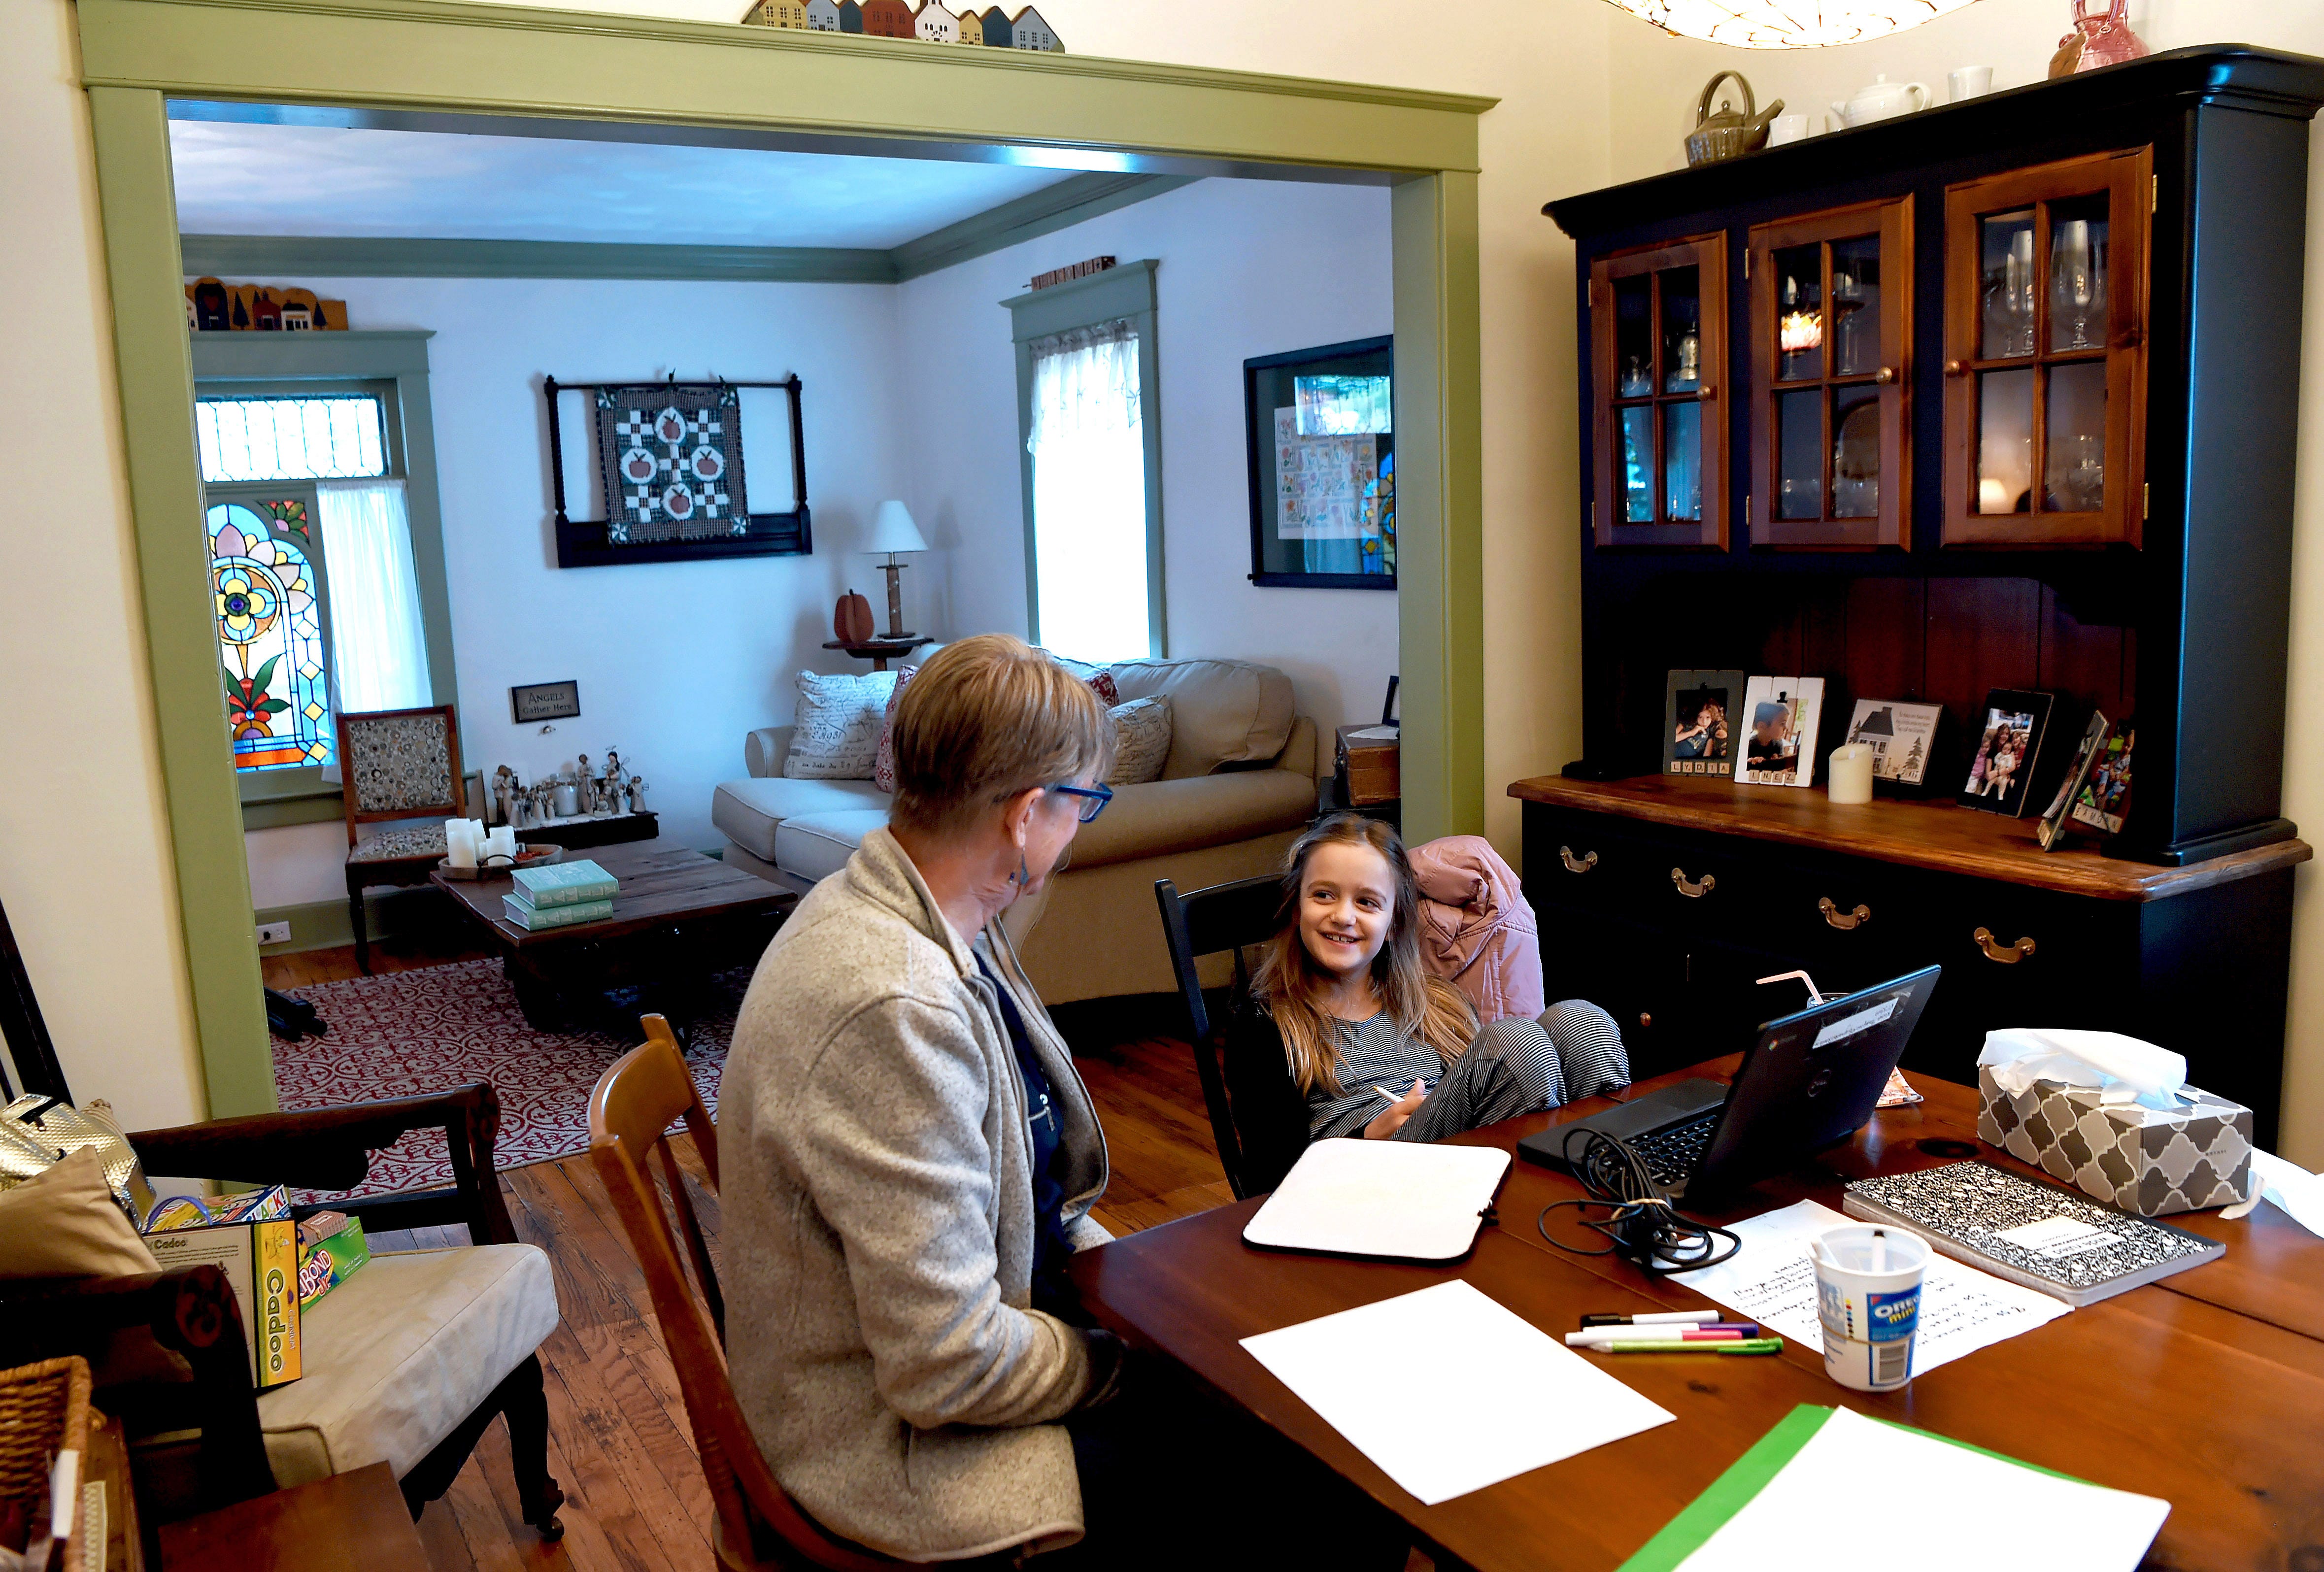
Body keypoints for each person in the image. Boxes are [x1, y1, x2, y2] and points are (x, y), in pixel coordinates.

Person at [721, 635, 1400, 1570]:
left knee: (1295, 1399)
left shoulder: (933, 901)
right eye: (1084, 804)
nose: (1081, 833)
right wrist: (1132, 1362)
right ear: (1026, 813)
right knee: (1334, 1476)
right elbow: (944, 1365)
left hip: (980, 1337)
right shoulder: (893, 1002)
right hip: (898, 1448)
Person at [1224, 815, 1628, 1188]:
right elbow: (1269, 1182)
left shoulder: (1434, 1002)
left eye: (1366, 902)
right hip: (1361, 1186)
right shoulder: (1267, 1026)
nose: (1343, 916)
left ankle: (1618, 1193)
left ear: (1395, 922)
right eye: (1324, 895)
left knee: (1579, 1020)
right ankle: (1556, 1208)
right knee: (1513, 1043)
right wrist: (1368, 1136)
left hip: (1457, 1161)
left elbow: (1485, 1101)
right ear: (1297, 909)